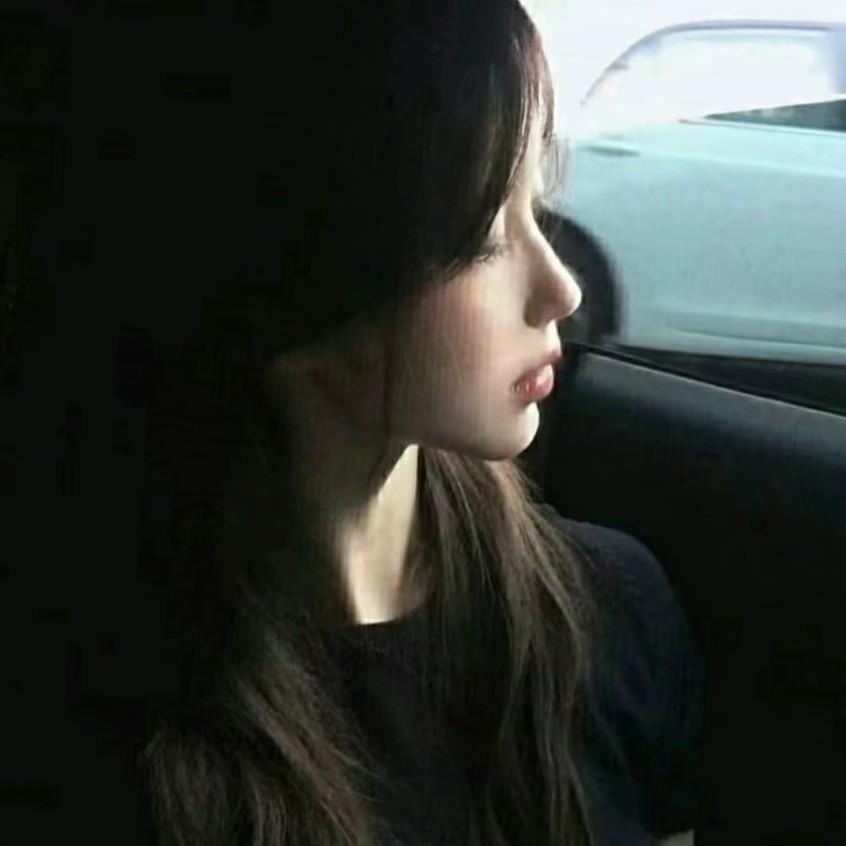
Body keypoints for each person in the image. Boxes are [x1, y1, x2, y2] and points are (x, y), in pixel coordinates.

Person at [51, 2, 704, 844]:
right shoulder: (99, 734)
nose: (562, 289)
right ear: (300, 285)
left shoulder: (613, 619)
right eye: (483, 238)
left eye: (536, 206)